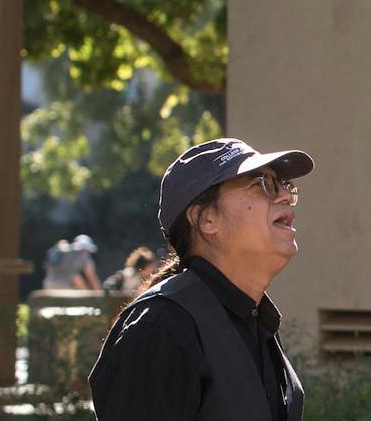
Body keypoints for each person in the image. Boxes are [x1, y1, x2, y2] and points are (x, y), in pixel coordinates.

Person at [88, 138, 314, 420]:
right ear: (206, 219)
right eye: (263, 183)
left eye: (284, 185)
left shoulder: (256, 320)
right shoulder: (161, 328)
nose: (284, 195)